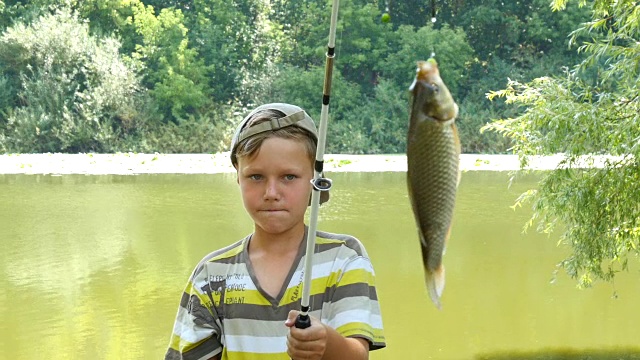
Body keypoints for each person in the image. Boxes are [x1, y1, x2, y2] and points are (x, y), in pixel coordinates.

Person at [165, 103, 386, 360]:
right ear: (238, 177)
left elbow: (357, 355)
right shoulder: (211, 275)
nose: (271, 193)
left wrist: (325, 342)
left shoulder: (345, 258)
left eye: (289, 177)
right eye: (256, 177)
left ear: (315, 180)